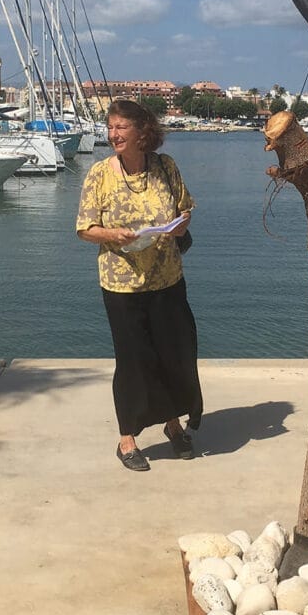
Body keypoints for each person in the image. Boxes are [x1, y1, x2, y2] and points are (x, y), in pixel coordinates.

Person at [76, 99, 203, 472]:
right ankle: (127, 439)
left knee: (174, 352)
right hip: (122, 284)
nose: (113, 134)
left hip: (167, 278)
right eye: (110, 127)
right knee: (133, 361)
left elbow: (185, 208)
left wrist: (180, 224)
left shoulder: (166, 167)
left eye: (121, 128)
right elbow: (84, 228)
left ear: (142, 132)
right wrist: (113, 233)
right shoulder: (100, 173)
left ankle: (173, 424)